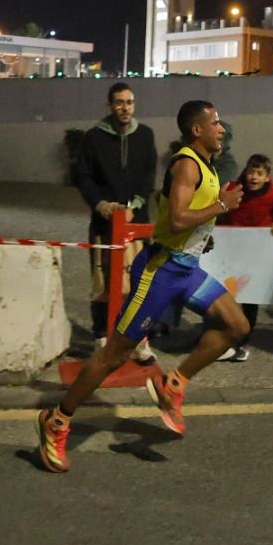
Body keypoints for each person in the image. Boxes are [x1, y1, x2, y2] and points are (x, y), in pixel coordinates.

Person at [37, 100, 249, 472]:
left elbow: (183, 219)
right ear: (197, 130)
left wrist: (207, 230)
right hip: (161, 272)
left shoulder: (208, 166)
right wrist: (221, 206)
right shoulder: (186, 164)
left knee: (236, 326)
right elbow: (181, 218)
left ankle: (174, 384)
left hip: (187, 270)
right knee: (115, 355)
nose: (222, 129)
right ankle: (57, 419)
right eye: (215, 123)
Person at [70, 82, 158, 358]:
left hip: (137, 223)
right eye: (119, 102)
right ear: (109, 105)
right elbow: (83, 176)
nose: (125, 108)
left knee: (139, 283)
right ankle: (102, 336)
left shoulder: (145, 135)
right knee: (103, 281)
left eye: (129, 102)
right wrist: (100, 204)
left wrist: (136, 205)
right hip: (104, 224)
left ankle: (139, 341)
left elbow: (149, 175)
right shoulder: (93, 137)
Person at [216, 153, 273, 362]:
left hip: (256, 256)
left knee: (250, 299)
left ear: (267, 177)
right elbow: (219, 208)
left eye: (259, 173)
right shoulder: (233, 189)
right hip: (230, 252)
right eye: (251, 172)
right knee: (224, 296)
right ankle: (221, 337)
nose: (254, 177)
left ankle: (242, 341)